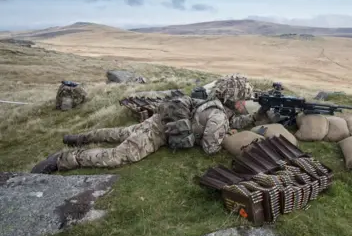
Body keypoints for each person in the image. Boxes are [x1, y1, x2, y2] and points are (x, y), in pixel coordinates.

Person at [31, 74, 256, 174]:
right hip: (158, 133)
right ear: (233, 99)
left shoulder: (214, 103)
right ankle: (63, 159)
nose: (245, 102)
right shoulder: (218, 117)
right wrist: (225, 133)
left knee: (118, 133)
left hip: (158, 121)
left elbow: (227, 120)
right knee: (118, 156)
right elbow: (210, 148)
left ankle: (78, 137)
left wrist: (247, 119)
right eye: (243, 99)